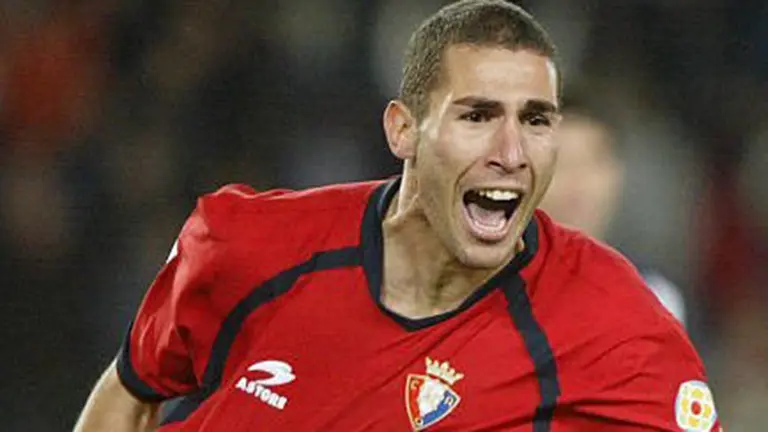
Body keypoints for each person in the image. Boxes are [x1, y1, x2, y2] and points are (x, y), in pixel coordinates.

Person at [75, 1, 721, 431]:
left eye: (535, 120)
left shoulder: (614, 322)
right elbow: (134, 386)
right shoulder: (250, 245)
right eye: (477, 116)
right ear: (403, 129)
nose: (511, 153)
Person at [538, 100, 688, 326]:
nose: (578, 184)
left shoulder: (654, 295)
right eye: (561, 164)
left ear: (618, 173)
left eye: (593, 162)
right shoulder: (493, 296)